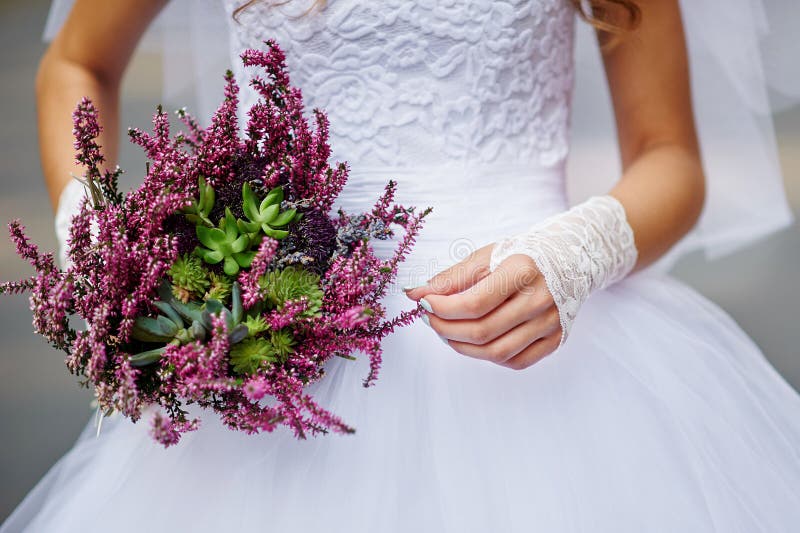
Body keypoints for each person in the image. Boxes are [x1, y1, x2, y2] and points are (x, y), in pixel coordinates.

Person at [3, 0, 800, 531]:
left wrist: (577, 253)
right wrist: (98, 237)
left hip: (539, 366)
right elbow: (78, 65)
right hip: (271, 361)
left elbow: (671, 157)